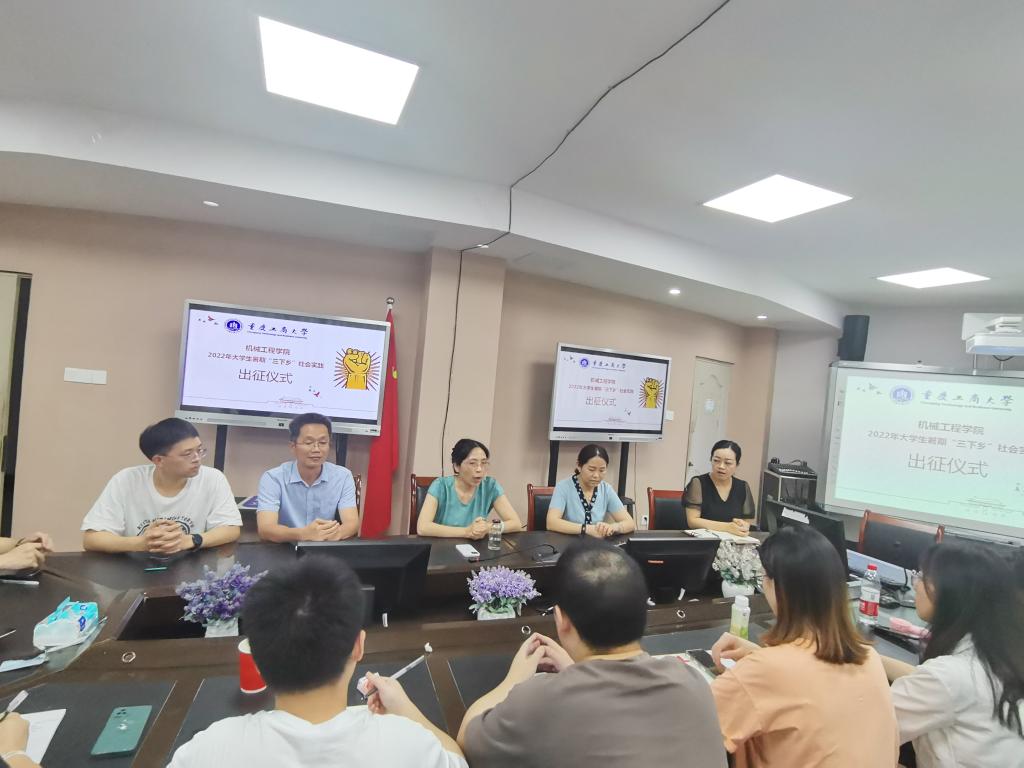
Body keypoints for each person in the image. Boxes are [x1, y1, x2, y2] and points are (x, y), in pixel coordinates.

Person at [168, 557, 466, 767]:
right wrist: (407, 709)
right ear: (358, 646)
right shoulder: (408, 744)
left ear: (254, 658)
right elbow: (457, 760)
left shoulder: (207, 751)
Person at [458, 540, 726, 767]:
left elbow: (467, 740)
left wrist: (513, 680)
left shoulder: (540, 701)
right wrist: (576, 669)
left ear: (561, 620)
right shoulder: (693, 683)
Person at [710, 525, 898, 767]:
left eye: (763, 577)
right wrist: (762, 656)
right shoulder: (870, 659)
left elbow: (688, 724)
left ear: (778, 587)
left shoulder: (764, 671)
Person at [880, 541, 1024, 767]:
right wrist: (870, 656)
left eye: (921, 576)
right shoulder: (997, 653)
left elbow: (870, 728)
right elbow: (926, 678)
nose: (915, 584)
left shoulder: (947, 677)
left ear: (946, 591)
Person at [81, 418, 241, 554]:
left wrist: (191, 540)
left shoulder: (213, 478)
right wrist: (143, 543)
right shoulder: (127, 480)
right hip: (136, 568)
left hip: (193, 568)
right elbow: (92, 539)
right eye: (187, 454)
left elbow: (231, 529)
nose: (197, 459)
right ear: (158, 460)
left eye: (199, 450)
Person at [256, 413, 359, 542]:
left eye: (322, 442)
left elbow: (352, 523)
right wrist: (303, 534)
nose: (316, 449)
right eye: (309, 442)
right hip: (287, 547)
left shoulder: (342, 476)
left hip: (326, 545)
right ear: (293, 446)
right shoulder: (273, 478)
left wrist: (335, 534)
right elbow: (266, 529)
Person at [417, 439, 522, 539]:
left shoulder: (490, 486)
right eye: (472, 463)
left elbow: (516, 524)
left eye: (484, 463)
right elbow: (423, 528)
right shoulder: (440, 486)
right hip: (442, 546)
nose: (479, 469)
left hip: (475, 548)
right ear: (456, 466)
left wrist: (487, 527)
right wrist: (467, 532)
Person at [546, 444, 635, 537]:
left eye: (602, 470)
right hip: (568, 542)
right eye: (591, 469)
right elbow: (551, 522)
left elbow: (630, 523)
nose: (596, 475)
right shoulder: (563, 487)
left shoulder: (606, 489)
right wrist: (585, 529)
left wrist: (613, 527)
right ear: (579, 466)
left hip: (596, 543)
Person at [684, 439, 755, 536]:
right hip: (703, 540)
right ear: (711, 459)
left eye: (728, 463)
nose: (721, 466)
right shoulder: (698, 483)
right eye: (716, 461)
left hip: (732, 541)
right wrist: (727, 527)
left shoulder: (742, 486)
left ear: (737, 464)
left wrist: (742, 526)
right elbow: (692, 521)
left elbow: (746, 521)